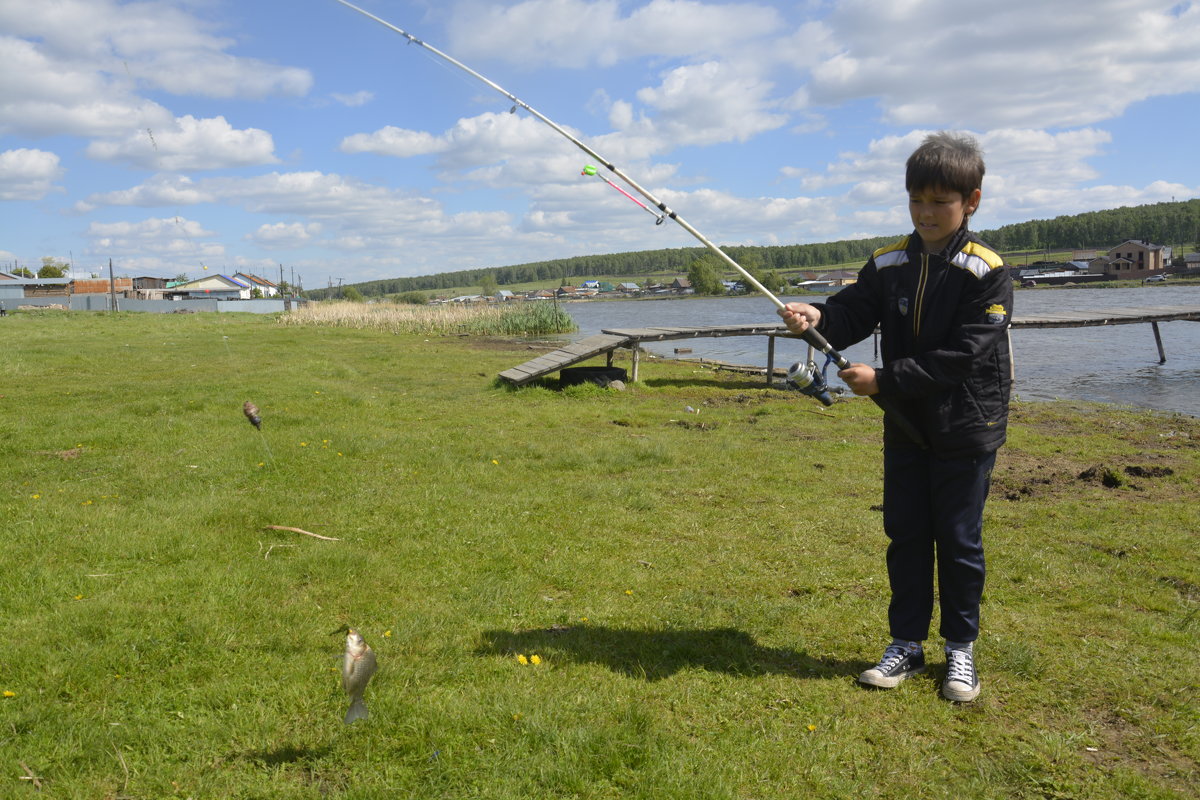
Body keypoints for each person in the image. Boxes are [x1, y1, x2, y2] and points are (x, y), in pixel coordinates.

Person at [779, 131, 1013, 702]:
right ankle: (906, 642)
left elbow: (963, 356)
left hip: (966, 425)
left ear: (971, 202)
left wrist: (882, 380)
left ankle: (960, 649)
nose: (926, 212)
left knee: (958, 540)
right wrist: (817, 317)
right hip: (905, 424)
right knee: (906, 534)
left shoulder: (987, 272)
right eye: (917, 200)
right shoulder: (889, 263)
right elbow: (853, 312)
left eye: (940, 202)